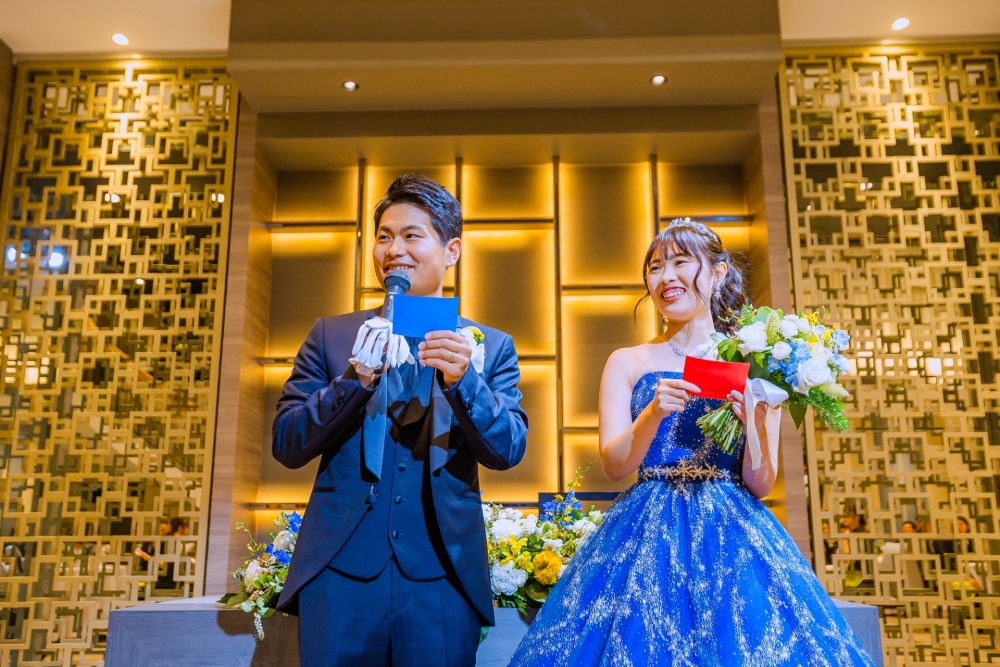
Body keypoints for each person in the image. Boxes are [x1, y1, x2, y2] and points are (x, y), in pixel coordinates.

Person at [508, 220, 875, 666]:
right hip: (647, 528)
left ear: (718, 273)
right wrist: (652, 413)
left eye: (681, 262)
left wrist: (755, 425)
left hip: (732, 530)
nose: (666, 277)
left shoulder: (757, 360)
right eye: (655, 267)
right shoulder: (627, 361)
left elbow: (761, 483)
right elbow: (615, 466)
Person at [272, 174, 528, 667]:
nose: (394, 250)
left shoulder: (489, 345)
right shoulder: (333, 335)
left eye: (412, 235)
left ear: (452, 250)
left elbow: (508, 449)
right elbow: (287, 442)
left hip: (442, 577)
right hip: (340, 573)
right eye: (384, 237)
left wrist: (464, 383)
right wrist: (354, 380)